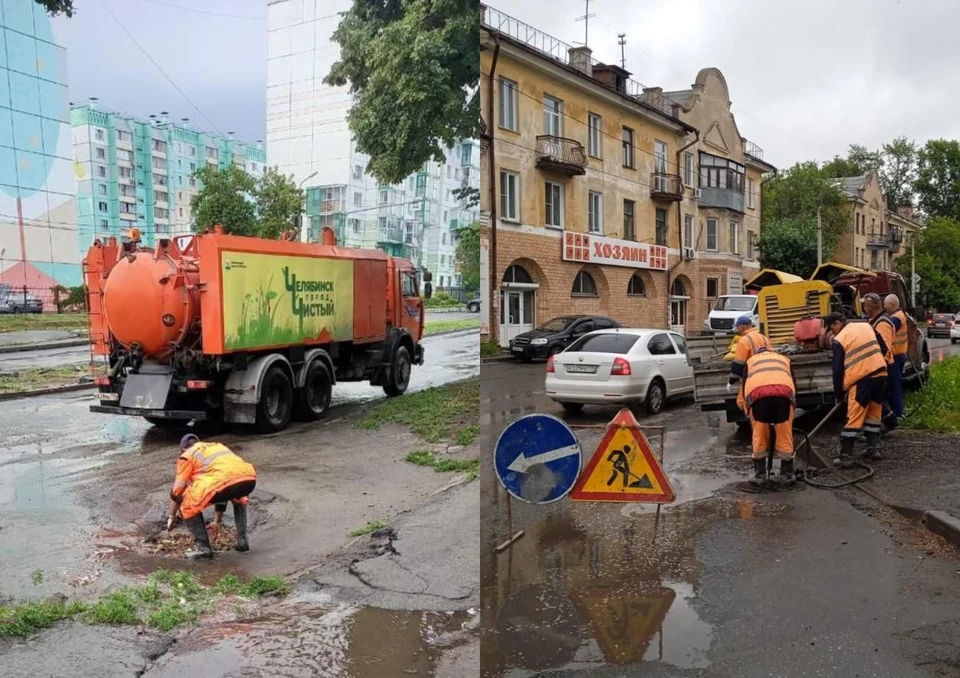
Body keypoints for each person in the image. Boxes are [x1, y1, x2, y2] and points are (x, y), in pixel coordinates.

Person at [167, 434, 258, 559]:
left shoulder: (186, 456)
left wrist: (171, 516)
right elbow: (224, 488)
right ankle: (242, 541)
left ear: (183, 449)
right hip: (249, 478)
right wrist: (217, 521)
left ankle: (204, 550)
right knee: (238, 497)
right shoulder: (217, 446)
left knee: (187, 505)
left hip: (225, 482)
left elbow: (177, 491)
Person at [824, 312, 889, 467]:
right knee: (874, 414)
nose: (832, 332)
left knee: (854, 417)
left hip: (862, 380)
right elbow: (884, 348)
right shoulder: (866, 326)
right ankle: (873, 449)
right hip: (881, 374)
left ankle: (846, 456)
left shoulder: (840, 339)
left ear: (836, 323)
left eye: (831, 328)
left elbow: (837, 369)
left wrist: (839, 394)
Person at [740, 346, 796, 483]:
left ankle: (760, 475)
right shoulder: (784, 359)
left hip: (758, 397)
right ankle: (787, 474)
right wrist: (792, 407)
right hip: (784, 395)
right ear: (771, 352)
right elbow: (794, 383)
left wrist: (749, 412)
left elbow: (744, 387)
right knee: (784, 432)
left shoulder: (750, 361)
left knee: (759, 432)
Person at [726, 316, 773, 405]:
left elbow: (738, 365)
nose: (737, 329)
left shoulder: (743, 341)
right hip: (769, 375)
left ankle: (750, 416)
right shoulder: (763, 338)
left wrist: (731, 382)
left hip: (754, 376)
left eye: (737, 327)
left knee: (741, 402)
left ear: (742, 327)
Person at [883, 293, 908, 429]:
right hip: (899, 355)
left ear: (891, 305)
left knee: (894, 386)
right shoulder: (898, 315)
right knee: (893, 385)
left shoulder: (896, 319)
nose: (884, 306)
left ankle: (898, 413)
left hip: (896, 356)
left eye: (885, 303)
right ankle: (897, 411)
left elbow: (887, 331)